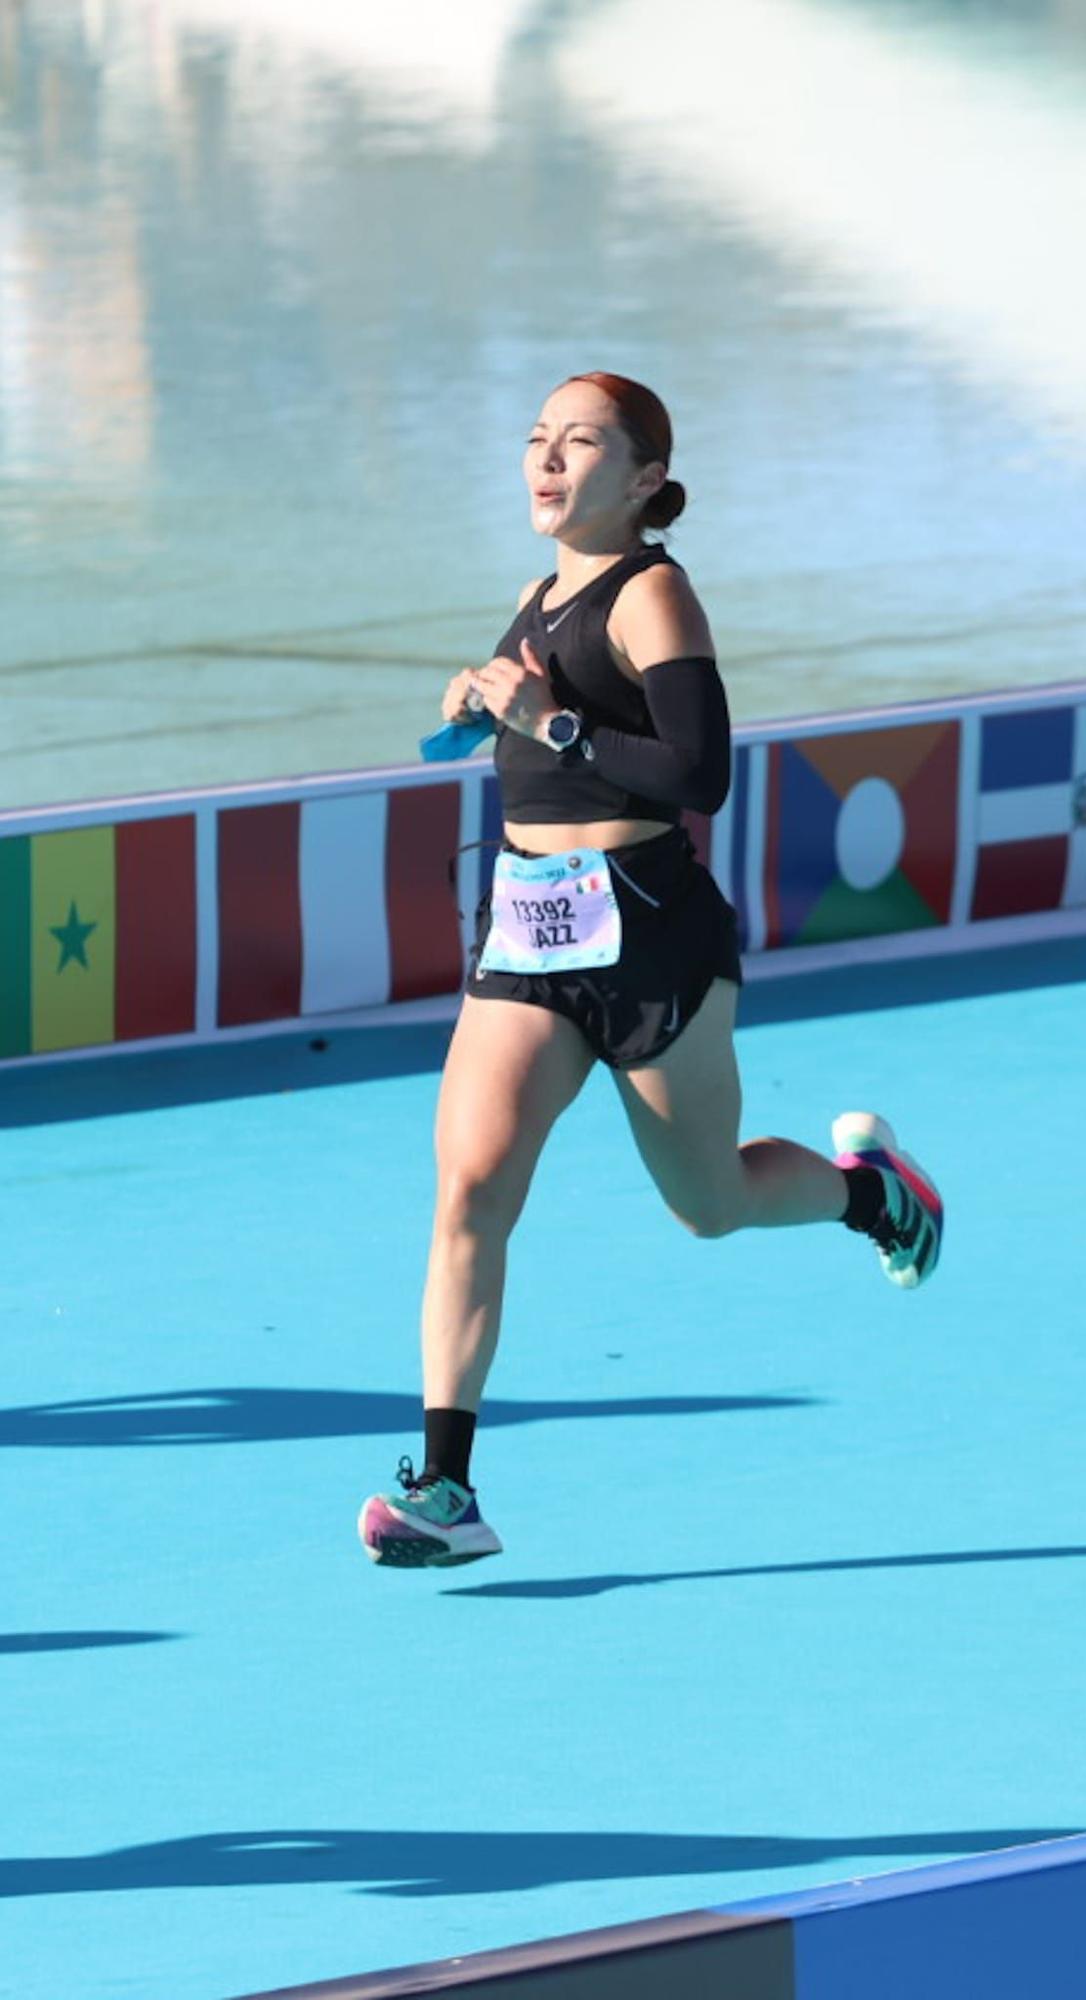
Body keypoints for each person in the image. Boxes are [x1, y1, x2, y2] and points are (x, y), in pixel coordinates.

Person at [358, 372, 943, 1567]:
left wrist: (549, 720)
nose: (546, 459)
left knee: (709, 1205)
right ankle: (445, 1489)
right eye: (535, 440)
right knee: (470, 1189)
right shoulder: (532, 595)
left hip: (649, 936)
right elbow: (539, 728)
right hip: (525, 933)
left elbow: (697, 771)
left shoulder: (654, 593)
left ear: (643, 480)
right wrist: (483, 707)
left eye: (579, 443)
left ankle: (874, 1194)